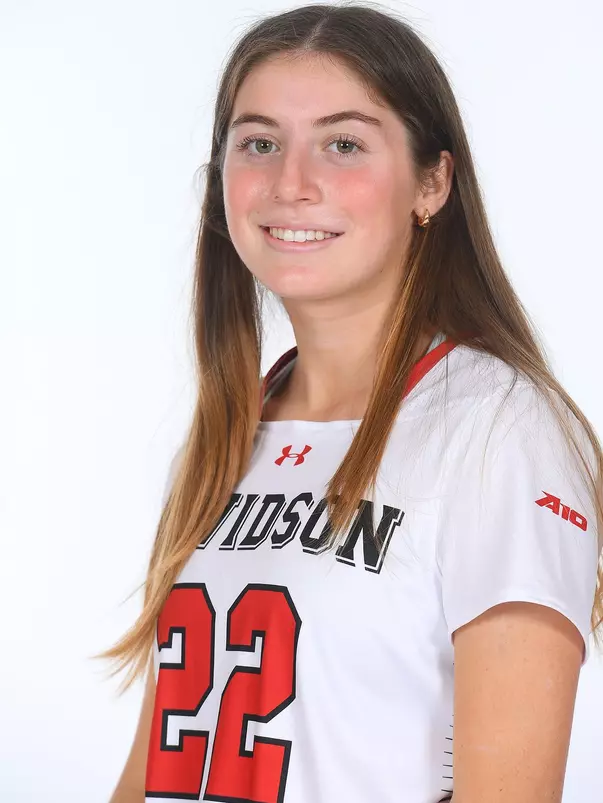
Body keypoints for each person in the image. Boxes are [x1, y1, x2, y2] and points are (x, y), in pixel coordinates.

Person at [100, 3, 603, 802]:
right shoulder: (225, 435)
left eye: (342, 144)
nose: (290, 184)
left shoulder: (495, 432)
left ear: (431, 182)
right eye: (259, 143)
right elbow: (155, 768)